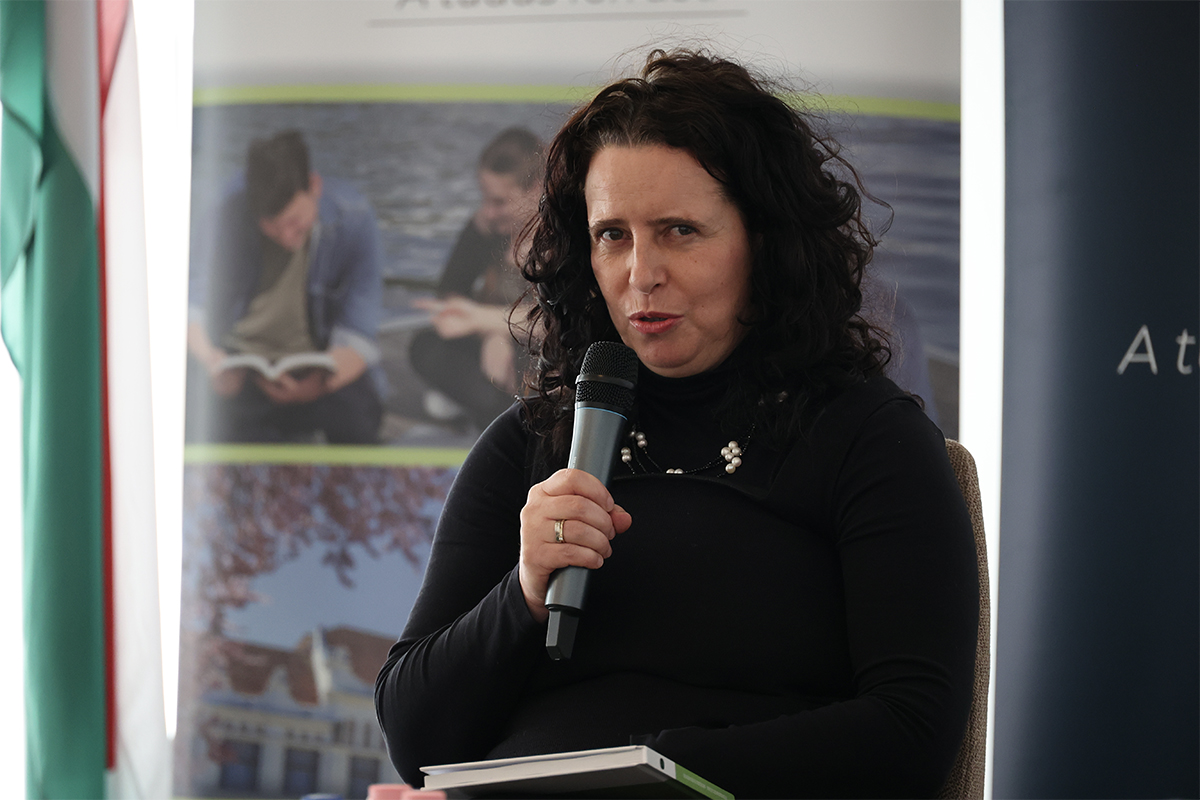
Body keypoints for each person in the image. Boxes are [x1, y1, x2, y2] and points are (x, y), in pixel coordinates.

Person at [375, 50, 978, 798]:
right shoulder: (530, 441)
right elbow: (416, 740)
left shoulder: (871, 439)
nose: (641, 273)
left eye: (680, 230)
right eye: (612, 235)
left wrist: (658, 773)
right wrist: (523, 590)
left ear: (765, 239)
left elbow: (912, 733)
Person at [186, 130, 384, 444]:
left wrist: (319, 385)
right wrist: (211, 361)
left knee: (361, 417)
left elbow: (359, 333)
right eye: (272, 228)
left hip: (315, 365)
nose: (287, 238)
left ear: (314, 186)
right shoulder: (223, 212)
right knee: (185, 408)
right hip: (237, 366)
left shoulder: (354, 217)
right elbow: (190, 305)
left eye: (294, 223)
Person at [408, 127, 543, 431]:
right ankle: (492, 406)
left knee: (528, 371)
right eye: (484, 198)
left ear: (535, 189)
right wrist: (492, 336)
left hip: (539, 351)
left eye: (499, 202)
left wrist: (484, 323)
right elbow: (450, 291)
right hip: (494, 345)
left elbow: (552, 322)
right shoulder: (487, 225)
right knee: (424, 346)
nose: (488, 211)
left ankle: (488, 407)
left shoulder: (559, 236)